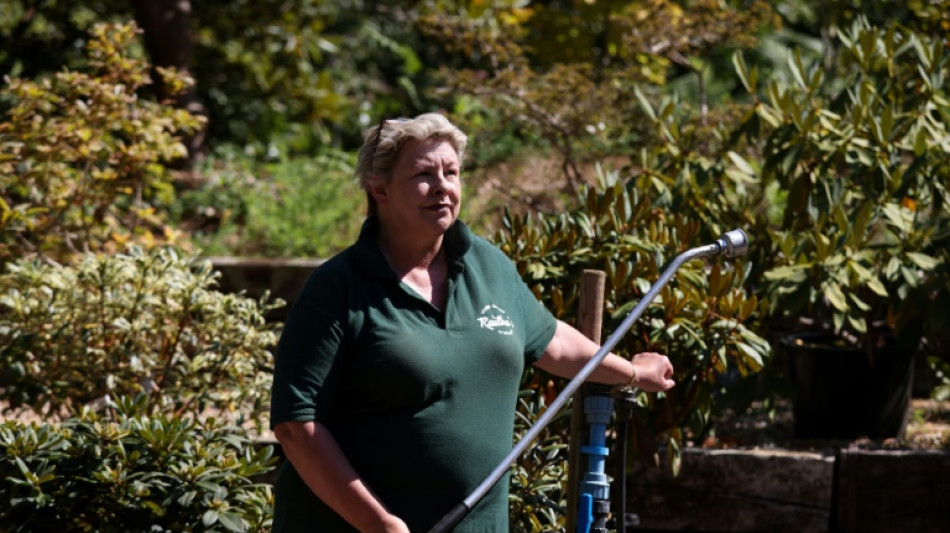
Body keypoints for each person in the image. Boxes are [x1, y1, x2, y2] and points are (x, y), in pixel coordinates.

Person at [269, 113, 675, 533]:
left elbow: (551, 341)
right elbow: (296, 425)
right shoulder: (338, 288)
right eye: (423, 174)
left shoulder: (487, 266)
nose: (442, 186)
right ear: (379, 189)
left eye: (451, 172)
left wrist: (632, 372)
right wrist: (377, 523)